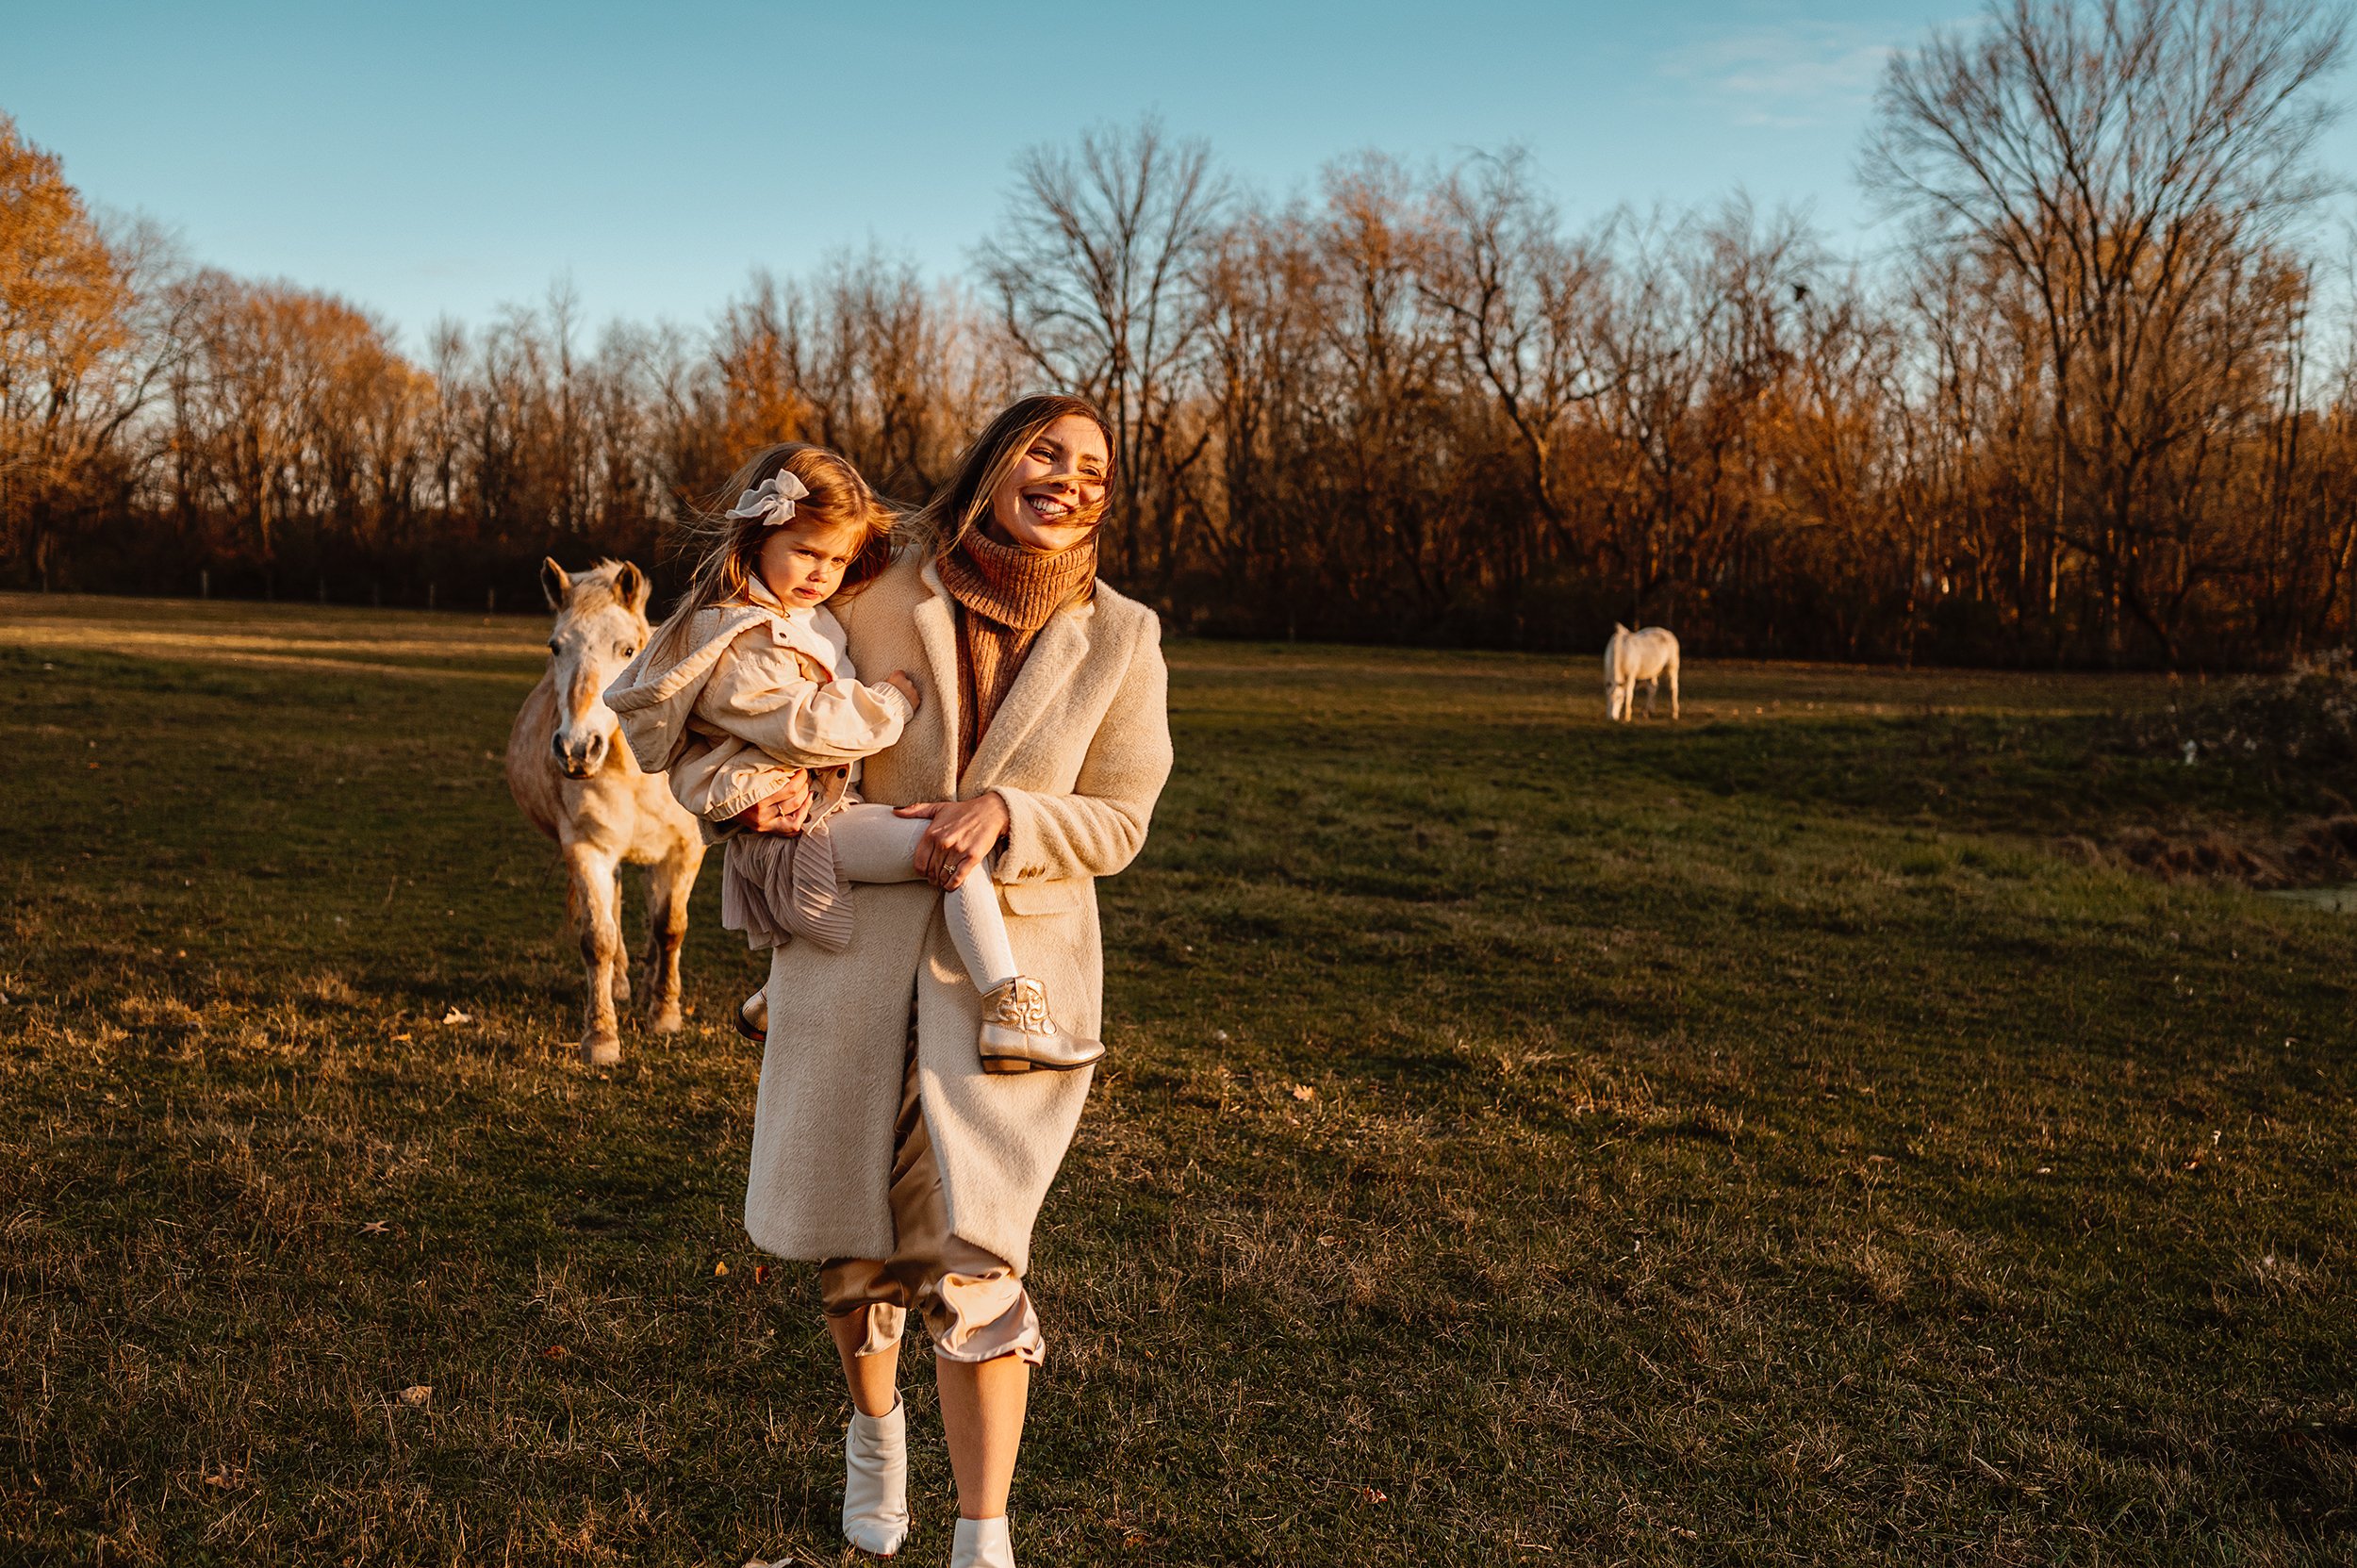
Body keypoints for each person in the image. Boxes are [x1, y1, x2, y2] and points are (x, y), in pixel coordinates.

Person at [741, 396, 1171, 1567]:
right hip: (851, 957)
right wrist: (760, 787)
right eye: (1046, 451)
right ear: (994, 461)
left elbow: (1122, 818)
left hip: (1010, 989)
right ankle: (873, 1436)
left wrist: (1011, 814)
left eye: (1094, 465)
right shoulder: (879, 578)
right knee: (855, 1245)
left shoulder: (1123, 636)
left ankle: (984, 1536)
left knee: (975, 1258)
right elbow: (765, 682)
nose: (1070, 478)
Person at [604, 442, 1097, 1075]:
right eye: (806, 552)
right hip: (796, 823)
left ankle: (776, 996)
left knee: (902, 876)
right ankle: (1009, 1014)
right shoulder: (738, 635)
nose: (822, 572)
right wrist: (890, 703)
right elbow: (805, 728)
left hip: (825, 807)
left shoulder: (795, 611)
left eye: (837, 558)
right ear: (758, 537)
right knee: (952, 850)